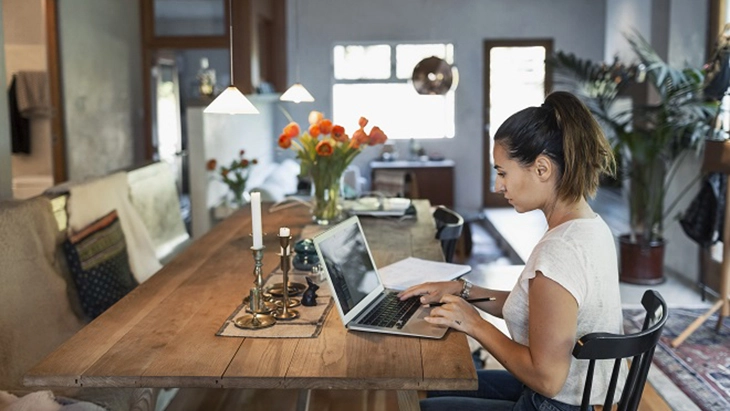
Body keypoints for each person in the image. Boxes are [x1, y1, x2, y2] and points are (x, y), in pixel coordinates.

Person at [399, 91, 624, 411]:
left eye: (502, 172)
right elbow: (537, 311)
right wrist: (462, 290)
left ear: (542, 169)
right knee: (438, 385)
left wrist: (475, 324)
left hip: (553, 402)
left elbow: (547, 379)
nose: (496, 185)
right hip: (569, 397)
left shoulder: (560, 252)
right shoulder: (591, 227)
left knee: (425, 407)